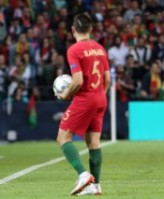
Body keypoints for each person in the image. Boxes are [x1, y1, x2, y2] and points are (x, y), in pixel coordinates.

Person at [55, 13, 111, 196]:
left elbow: (77, 81)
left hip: (85, 98)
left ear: (73, 30)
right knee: (93, 142)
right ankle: (96, 185)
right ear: (91, 29)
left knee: (63, 137)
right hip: (101, 96)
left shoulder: (74, 50)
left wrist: (66, 95)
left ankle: (83, 175)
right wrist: (99, 97)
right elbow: (107, 79)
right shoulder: (100, 49)